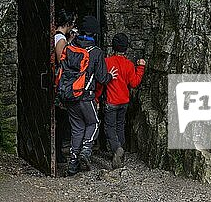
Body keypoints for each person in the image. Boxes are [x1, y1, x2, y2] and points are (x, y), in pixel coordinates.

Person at [58, 15, 117, 176]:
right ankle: (85, 150)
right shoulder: (96, 52)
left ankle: (72, 165)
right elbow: (102, 78)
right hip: (86, 96)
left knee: (77, 129)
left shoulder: (70, 47)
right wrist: (111, 76)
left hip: (70, 95)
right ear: (95, 34)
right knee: (94, 123)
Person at [96, 33, 146, 169]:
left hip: (111, 101)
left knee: (109, 127)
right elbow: (134, 83)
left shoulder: (107, 62)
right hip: (124, 102)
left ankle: (117, 148)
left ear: (113, 47)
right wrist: (140, 68)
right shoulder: (129, 65)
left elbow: (101, 83)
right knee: (120, 126)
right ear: (126, 48)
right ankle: (120, 152)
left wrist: (96, 98)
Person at [53, 9, 76, 163]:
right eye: (72, 23)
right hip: (60, 82)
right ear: (67, 24)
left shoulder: (58, 37)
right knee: (61, 118)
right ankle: (59, 153)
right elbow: (62, 60)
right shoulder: (60, 39)